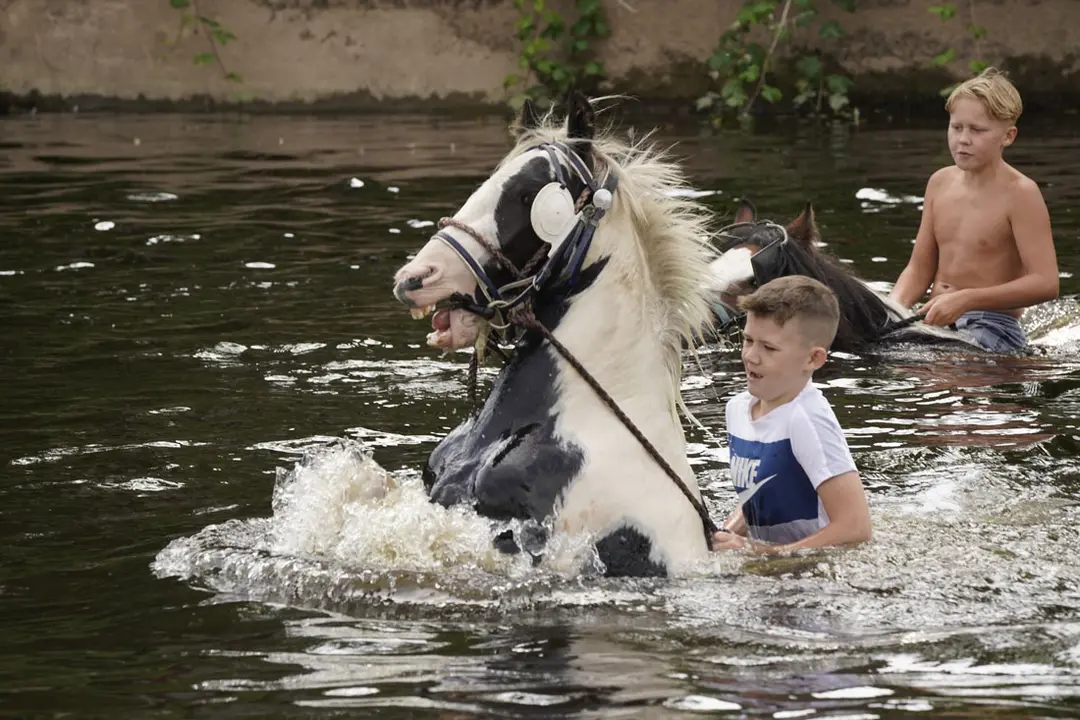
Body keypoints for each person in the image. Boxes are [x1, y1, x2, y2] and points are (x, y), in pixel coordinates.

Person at [889, 67, 1058, 353]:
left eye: (977, 130)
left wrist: (966, 299)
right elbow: (919, 268)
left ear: (1008, 136)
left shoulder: (1021, 194)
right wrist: (891, 311)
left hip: (993, 325)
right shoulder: (939, 182)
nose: (963, 139)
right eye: (956, 127)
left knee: (944, 368)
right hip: (934, 318)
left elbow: (1046, 283)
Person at [712, 276, 872, 554]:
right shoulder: (737, 408)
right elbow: (758, 488)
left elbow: (855, 527)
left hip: (818, 571)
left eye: (769, 348)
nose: (751, 356)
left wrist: (763, 553)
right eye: (748, 340)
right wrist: (728, 533)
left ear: (813, 359)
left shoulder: (807, 420)